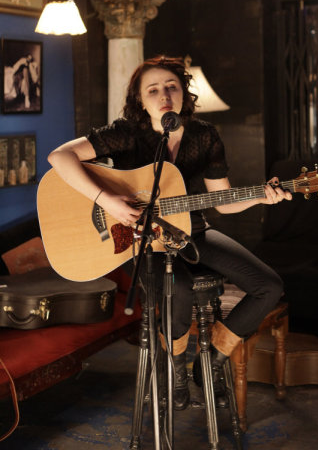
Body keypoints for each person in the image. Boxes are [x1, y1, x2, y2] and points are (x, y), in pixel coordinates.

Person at [47, 55, 292, 411]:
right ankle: (176, 371)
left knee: (268, 285)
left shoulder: (204, 135)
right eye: (153, 90)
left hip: (193, 231)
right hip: (141, 241)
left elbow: (222, 200)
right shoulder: (126, 133)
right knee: (178, 287)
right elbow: (59, 157)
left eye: (171, 86)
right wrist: (108, 200)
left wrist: (260, 197)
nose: (164, 95)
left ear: (183, 92)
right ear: (140, 99)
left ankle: (210, 361)